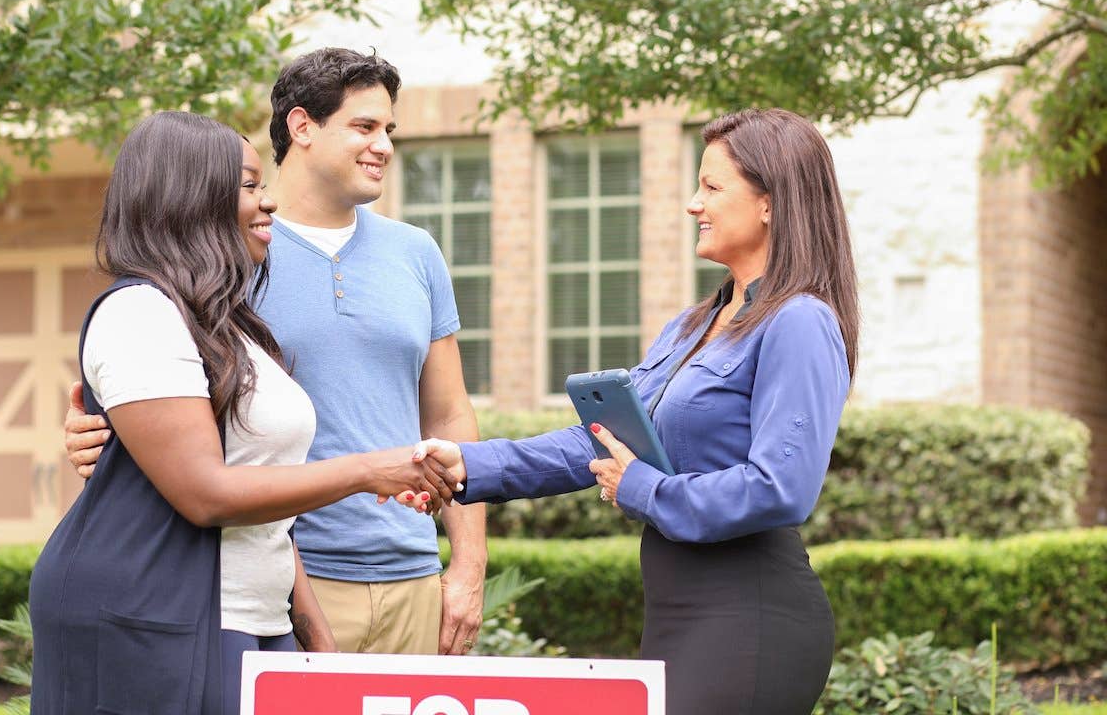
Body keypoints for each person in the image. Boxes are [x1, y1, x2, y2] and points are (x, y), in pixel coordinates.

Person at [415, 108, 859, 715]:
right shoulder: (691, 326)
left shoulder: (800, 320)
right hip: (677, 615)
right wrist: (466, 464)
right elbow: (600, 441)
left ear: (771, 203)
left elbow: (782, 488)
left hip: (751, 619)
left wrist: (646, 489)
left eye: (712, 186)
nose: (692, 204)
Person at [62, 48, 487, 657]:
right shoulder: (232, 250)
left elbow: (449, 415)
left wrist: (467, 568)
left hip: (411, 573)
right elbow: (164, 387)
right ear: (302, 127)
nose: (385, 146)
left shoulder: (417, 253)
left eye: (388, 130)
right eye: (365, 127)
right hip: (285, 580)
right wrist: (104, 431)